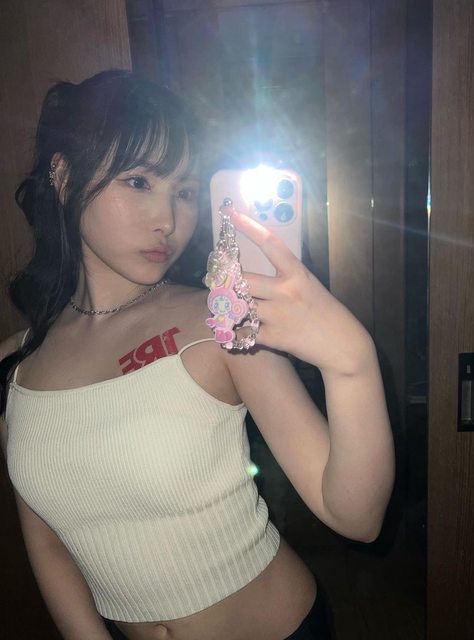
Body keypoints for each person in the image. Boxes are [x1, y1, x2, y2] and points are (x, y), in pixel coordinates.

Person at [0, 70, 394, 640]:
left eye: (184, 192)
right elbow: (47, 542)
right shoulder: (15, 366)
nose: (168, 220)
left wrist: (351, 362)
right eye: (138, 181)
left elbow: (356, 517)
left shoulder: (220, 322)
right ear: (62, 177)